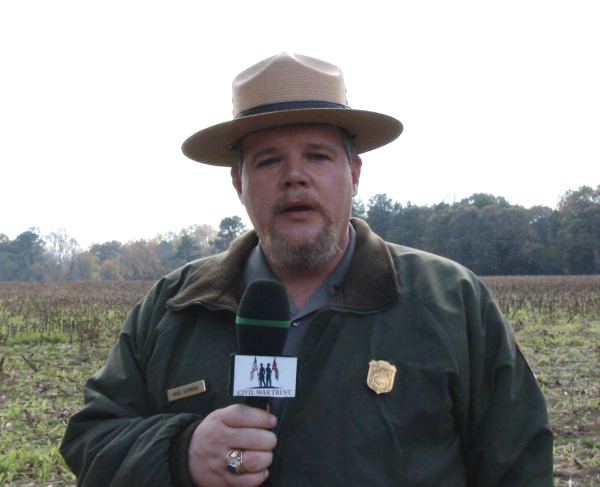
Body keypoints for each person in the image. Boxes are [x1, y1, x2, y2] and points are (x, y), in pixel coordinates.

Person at [60, 52, 553, 486]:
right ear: (239, 183)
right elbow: (91, 440)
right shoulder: (172, 307)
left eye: (317, 156)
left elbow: (518, 464)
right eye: (270, 161)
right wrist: (181, 452)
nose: (295, 177)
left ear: (354, 174)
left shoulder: (451, 302)